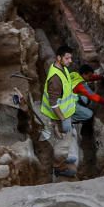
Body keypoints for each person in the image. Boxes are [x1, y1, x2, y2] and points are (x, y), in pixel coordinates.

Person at [40, 45, 90, 177]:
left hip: (65, 114)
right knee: (62, 142)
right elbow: (53, 104)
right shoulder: (55, 79)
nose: (70, 61)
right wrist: (62, 119)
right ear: (58, 58)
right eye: (67, 58)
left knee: (66, 139)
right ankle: (59, 167)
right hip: (59, 116)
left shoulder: (62, 68)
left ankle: (66, 157)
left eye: (70, 58)